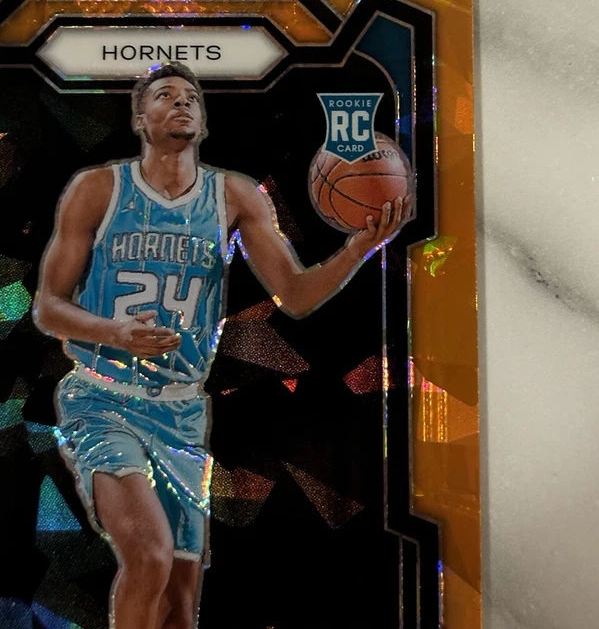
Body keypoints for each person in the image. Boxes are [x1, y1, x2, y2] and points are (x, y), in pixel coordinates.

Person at [33, 62, 408, 629]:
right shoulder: (98, 189)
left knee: (182, 601)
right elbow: (47, 307)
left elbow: (295, 295)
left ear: (204, 122)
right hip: (103, 398)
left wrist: (359, 248)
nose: (181, 102)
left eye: (191, 97)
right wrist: (115, 333)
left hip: (182, 411)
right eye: (165, 95)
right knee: (150, 555)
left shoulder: (234, 194)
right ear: (141, 118)